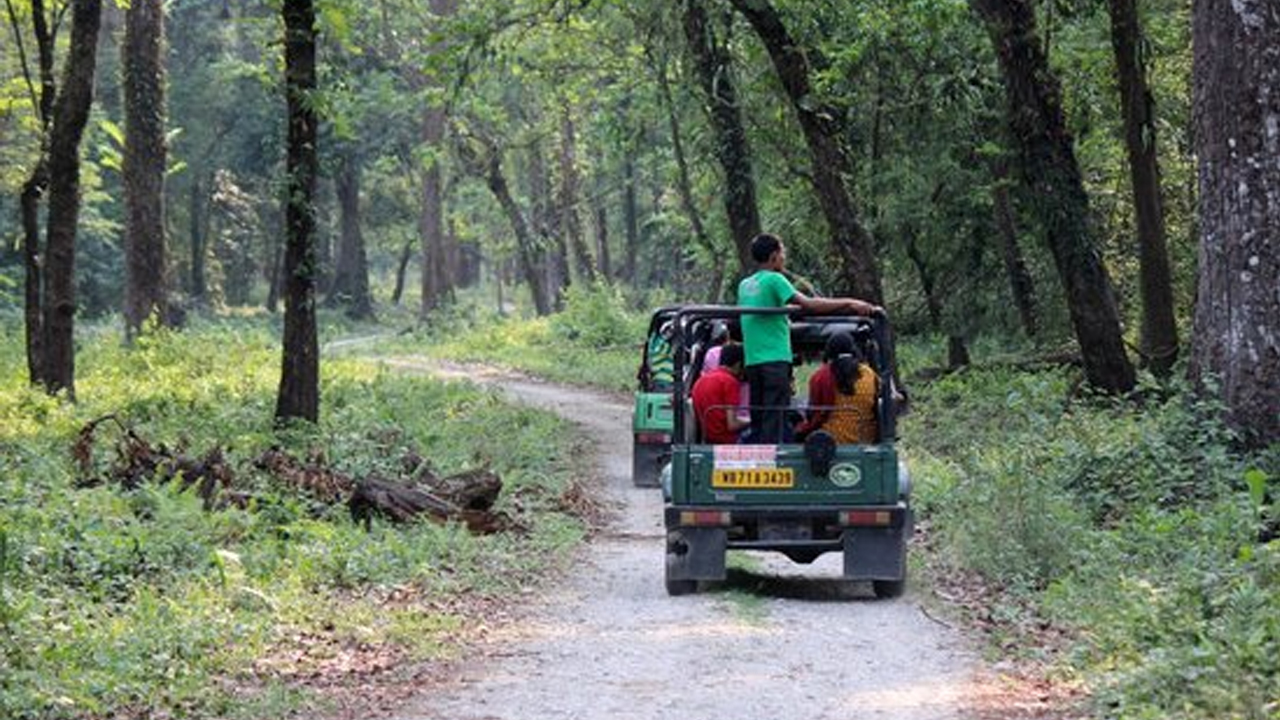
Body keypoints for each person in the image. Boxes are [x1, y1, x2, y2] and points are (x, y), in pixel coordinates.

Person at [737, 233, 881, 443]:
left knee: (759, 417)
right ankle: (771, 468)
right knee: (774, 421)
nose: (784, 257)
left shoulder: (745, 285)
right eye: (783, 252)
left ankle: (755, 463)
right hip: (774, 359)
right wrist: (851, 303)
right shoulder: (775, 279)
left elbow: (767, 309)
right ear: (774, 256)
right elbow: (809, 304)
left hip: (752, 360)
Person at [795, 332, 880, 444]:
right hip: (865, 438)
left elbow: (814, 414)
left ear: (829, 351)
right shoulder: (869, 374)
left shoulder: (821, 376)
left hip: (832, 440)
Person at [691, 343, 750, 444]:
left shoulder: (701, 380)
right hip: (727, 439)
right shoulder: (729, 382)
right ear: (738, 364)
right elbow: (732, 425)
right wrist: (752, 421)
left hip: (707, 437)